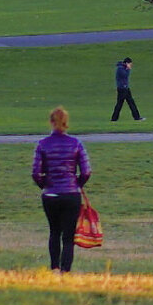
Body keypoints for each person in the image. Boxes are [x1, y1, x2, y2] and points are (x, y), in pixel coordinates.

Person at [31, 106, 92, 272]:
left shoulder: (43, 144)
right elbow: (86, 171)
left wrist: (45, 184)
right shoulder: (76, 143)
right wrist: (77, 183)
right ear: (66, 123)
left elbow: (35, 172)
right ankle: (66, 270)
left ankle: (54, 267)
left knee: (54, 232)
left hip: (50, 194)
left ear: (51, 122)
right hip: (71, 193)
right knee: (68, 236)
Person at [111, 57, 145, 122]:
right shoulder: (120, 69)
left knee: (131, 102)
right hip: (122, 89)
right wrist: (128, 69)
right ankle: (114, 118)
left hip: (126, 88)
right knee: (120, 103)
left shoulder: (124, 68)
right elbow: (125, 75)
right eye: (130, 64)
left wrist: (127, 69)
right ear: (126, 63)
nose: (131, 66)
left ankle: (137, 117)